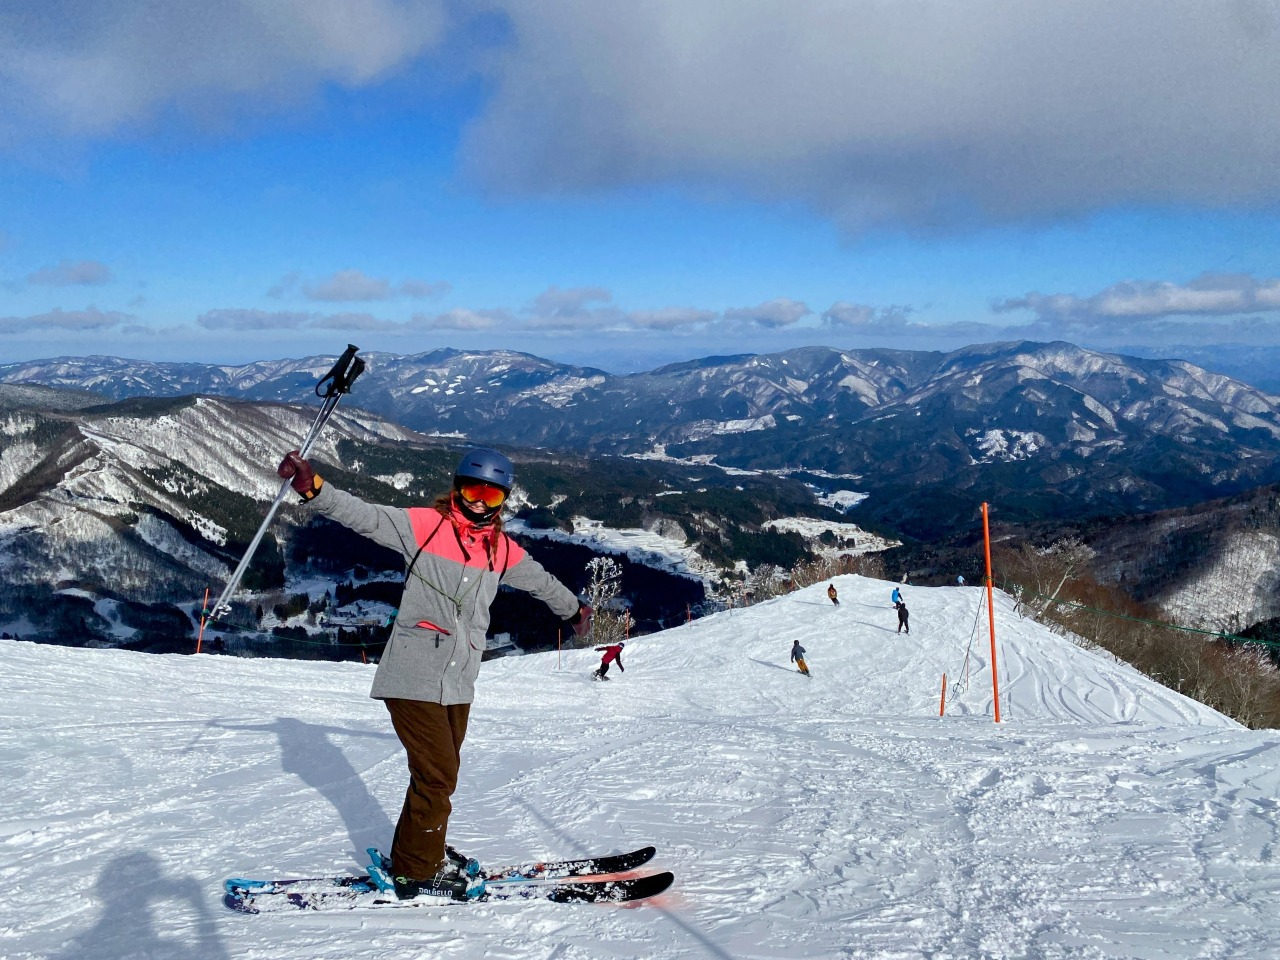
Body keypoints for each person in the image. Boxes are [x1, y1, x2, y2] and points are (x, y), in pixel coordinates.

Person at [277, 446, 592, 901]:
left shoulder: (500, 550)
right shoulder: (425, 527)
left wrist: (574, 609)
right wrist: (313, 488)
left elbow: (541, 580)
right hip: (412, 672)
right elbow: (363, 516)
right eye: (471, 490)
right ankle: (416, 874)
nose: (480, 502)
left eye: (492, 495)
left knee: (435, 774)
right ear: (456, 488)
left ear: (504, 500)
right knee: (439, 775)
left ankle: (419, 850)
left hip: (459, 680)